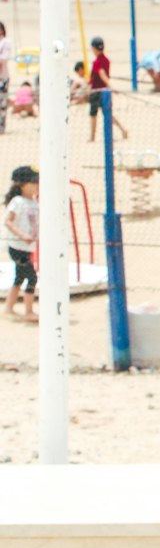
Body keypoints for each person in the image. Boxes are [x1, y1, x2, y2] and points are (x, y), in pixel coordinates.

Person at [4, 165, 40, 322]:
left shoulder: (33, 201)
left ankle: (9, 307)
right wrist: (22, 236)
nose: (37, 186)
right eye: (34, 182)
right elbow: (8, 222)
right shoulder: (18, 202)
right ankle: (29, 311)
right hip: (17, 247)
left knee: (19, 277)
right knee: (31, 277)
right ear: (22, 184)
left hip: (26, 247)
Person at [87, 37, 128, 143]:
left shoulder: (97, 62)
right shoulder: (107, 60)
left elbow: (102, 74)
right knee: (107, 114)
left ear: (94, 48)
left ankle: (92, 137)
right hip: (105, 91)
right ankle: (123, 130)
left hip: (97, 91)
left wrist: (110, 86)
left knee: (93, 114)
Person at [0, 20, 11, 133]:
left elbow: (4, 58)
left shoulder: (6, 42)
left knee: (2, 102)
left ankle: (2, 126)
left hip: (2, 77)